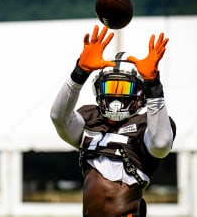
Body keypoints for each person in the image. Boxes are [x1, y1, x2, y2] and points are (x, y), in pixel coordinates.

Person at [50, 25, 176, 217]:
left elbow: (161, 144)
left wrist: (153, 84)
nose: (115, 97)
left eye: (123, 89)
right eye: (110, 87)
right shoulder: (91, 118)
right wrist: (79, 72)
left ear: (139, 94)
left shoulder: (146, 125)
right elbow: (58, 117)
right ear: (98, 90)